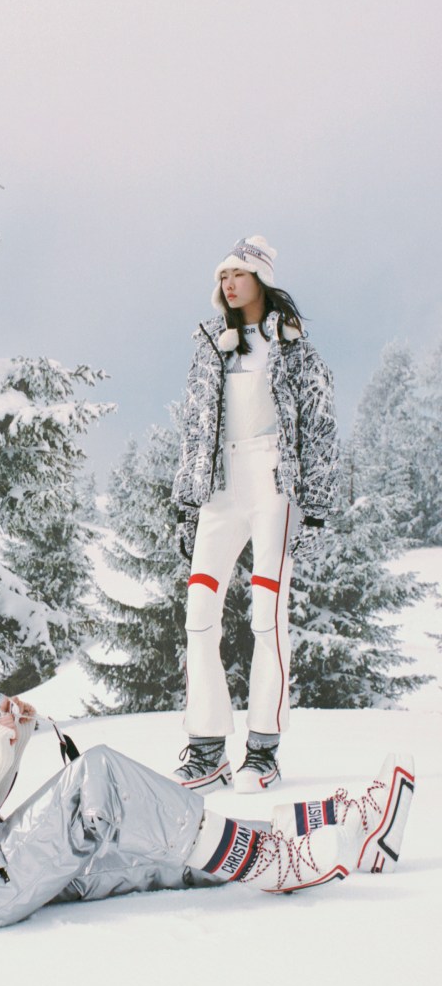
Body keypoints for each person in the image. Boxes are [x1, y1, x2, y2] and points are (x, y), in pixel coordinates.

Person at [0, 592, 413, 932]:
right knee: (99, 773)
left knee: (160, 843)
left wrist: (16, 744)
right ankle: (272, 863)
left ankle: (344, 828)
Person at [172, 236, 340, 794]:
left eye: (238, 274)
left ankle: (262, 752)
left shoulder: (295, 349)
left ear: (262, 279)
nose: (228, 283)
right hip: (220, 488)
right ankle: (206, 749)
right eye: (222, 275)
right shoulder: (210, 346)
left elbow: (319, 428)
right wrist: (186, 506)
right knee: (199, 615)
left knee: (266, 617)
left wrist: (313, 511)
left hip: (274, 485)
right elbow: (194, 429)